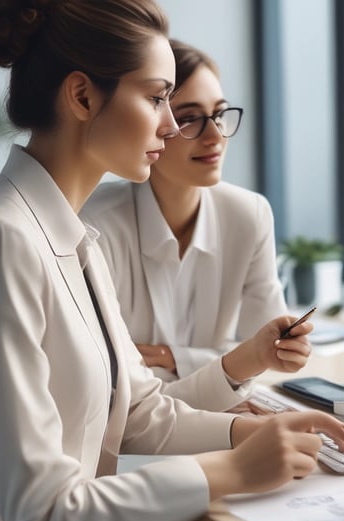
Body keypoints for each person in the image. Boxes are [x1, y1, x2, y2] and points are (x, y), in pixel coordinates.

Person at [0, 2, 344, 521]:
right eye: (157, 98)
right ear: (82, 96)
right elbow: (44, 520)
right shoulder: (0, 242)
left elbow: (137, 413)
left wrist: (248, 432)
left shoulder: (71, 236)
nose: (172, 124)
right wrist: (229, 471)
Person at [81, 40, 289, 411]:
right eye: (190, 117)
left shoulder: (249, 214)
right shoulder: (94, 225)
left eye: (220, 114)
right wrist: (228, 365)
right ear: (154, 123)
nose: (215, 136)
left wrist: (171, 357)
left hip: (205, 417)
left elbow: (269, 352)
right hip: (128, 435)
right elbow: (110, 382)